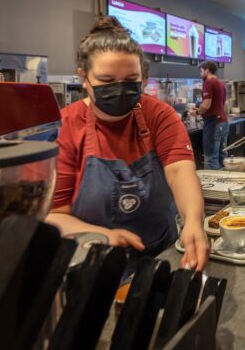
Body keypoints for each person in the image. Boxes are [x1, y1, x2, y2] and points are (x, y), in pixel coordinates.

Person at [46, 16, 208, 270]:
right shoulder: (65, 127)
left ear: (143, 78)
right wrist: (103, 236)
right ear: (84, 77)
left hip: (162, 253)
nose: (120, 89)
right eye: (107, 81)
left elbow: (180, 171)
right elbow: (55, 215)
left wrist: (193, 220)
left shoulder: (158, 114)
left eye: (131, 79)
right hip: (93, 263)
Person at [194, 60, 229, 170]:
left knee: (211, 158)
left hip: (213, 124)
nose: (200, 74)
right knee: (223, 156)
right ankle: (224, 180)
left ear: (207, 70)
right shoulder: (221, 83)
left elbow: (206, 105)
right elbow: (223, 104)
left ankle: (213, 181)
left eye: (201, 71)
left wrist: (196, 112)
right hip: (223, 122)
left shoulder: (208, 82)